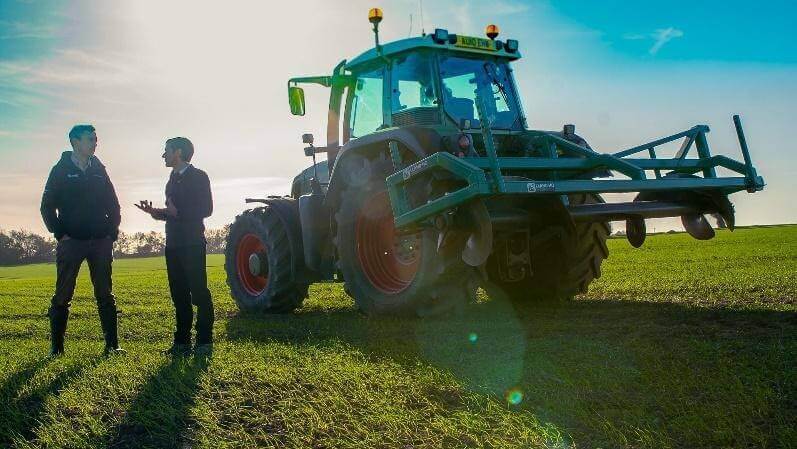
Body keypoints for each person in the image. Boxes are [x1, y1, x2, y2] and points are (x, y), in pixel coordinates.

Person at [40, 124, 123, 356]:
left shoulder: (99, 169)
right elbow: (47, 206)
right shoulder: (60, 170)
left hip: (100, 242)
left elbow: (113, 203)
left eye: (96, 139)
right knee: (63, 295)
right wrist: (60, 234)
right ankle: (56, 349)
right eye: (90, 139)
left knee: (105, 293)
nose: (95, 143)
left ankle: (112, 346)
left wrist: (111, 232)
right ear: (75, 141)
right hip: (72, 242)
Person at [135, 137, 214, 356]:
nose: (164, 155)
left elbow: (206, 209)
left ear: (178, 152)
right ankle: (181, 343)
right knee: (178, 295)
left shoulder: (199, 176)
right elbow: (172, 214)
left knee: (199, 293)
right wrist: (155, 213)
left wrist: (178, 213)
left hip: (192, 244)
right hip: (173, 245)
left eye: (166, 151)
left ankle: (205, 342)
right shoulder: (171, 180)